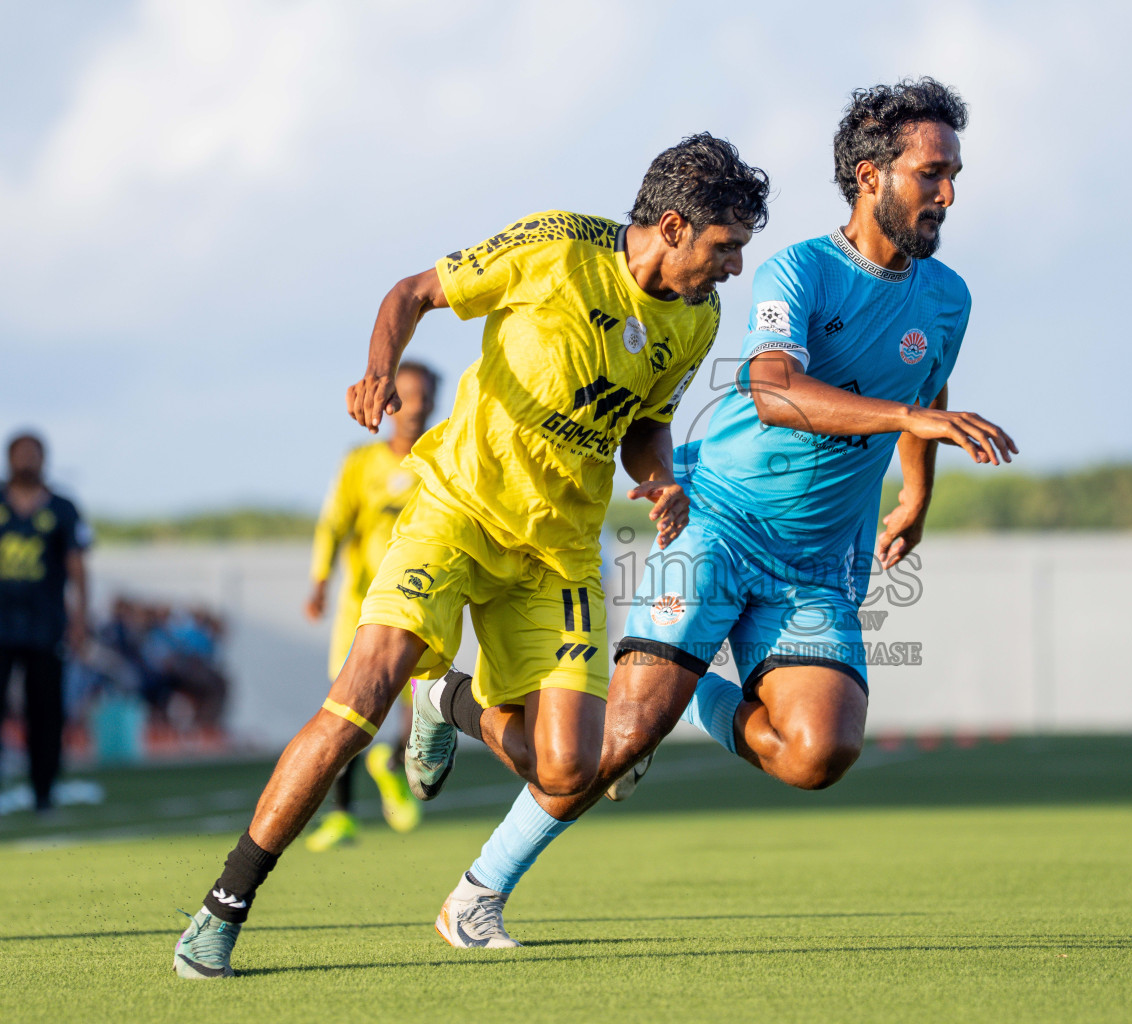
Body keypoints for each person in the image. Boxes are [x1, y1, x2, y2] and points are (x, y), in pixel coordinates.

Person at [407, 78, 1016, 941]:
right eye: (932, 173)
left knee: (818, 753)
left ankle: (690, 698)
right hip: (722, 520)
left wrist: (915, 490)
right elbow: (771, 389)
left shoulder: (948, 296)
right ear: (872, 176)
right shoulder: (798, 270)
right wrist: (914, 421)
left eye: (954, 173)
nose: (948, 193)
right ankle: (475, 890)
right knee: (614, 743)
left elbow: (928, 384)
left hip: (819, 560)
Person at [172, 133, 770, 978]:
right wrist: (378, 370)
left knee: (570, 771)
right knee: (358, 697)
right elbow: (412, 292)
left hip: (558, 553)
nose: (734, 268)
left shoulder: (697, 318)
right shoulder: (558, 247)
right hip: (456, 513)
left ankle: (449, 699)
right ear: (672, 226)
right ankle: (223, 907)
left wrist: (663, 479)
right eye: (725, 247)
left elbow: (645, 421)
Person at [300, 360, 439, 850]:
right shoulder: (360, 463)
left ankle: (394, 759)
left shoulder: (442, 459)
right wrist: (319, 582)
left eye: (425, 395)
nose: (417, 406)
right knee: (348, 703)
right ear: (390, 402)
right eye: (408, 395)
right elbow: (333, 523)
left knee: (421, 698)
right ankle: (341, 815)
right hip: (363, 605)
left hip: (423, 599)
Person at [0, 432, 91, 813]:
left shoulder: (63, 508)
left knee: (45, 711)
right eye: (20, 454)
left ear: (43, 459)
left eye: (32, 454)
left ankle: (44, 793)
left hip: (45, 625)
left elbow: (77, 568)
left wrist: (80, 619)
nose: (26, 461)